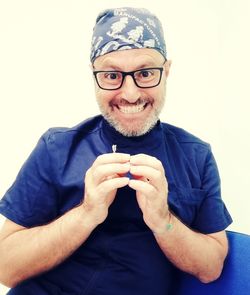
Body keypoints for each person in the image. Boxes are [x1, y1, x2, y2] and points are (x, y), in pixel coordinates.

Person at [0, 7, 232, 295]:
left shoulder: (196, 157)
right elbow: (5, 267)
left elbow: (211, 268)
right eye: (112, 75)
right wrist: (86, 214)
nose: (130, 93)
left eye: (146, 73)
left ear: (167, 71)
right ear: (94, 75)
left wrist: (163, 221)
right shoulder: (56, 148)